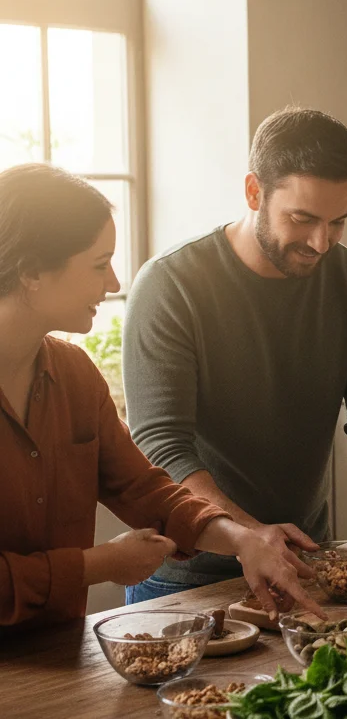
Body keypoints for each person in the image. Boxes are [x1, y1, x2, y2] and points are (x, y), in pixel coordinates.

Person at [122, 107, 347, 603]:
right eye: (302, 219)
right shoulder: (171, 284)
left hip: (304, 563)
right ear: (253, 192)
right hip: (186, 575)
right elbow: (162, 445)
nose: (320, 242)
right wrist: (249, 535)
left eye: (338, 223)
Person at [0, 163, 322, 630]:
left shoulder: (74, 374)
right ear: (31, 272)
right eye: (97, 264)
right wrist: (100, 565)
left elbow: (143, 490)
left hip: (60, 653)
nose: (112, 282)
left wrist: (243, 539)